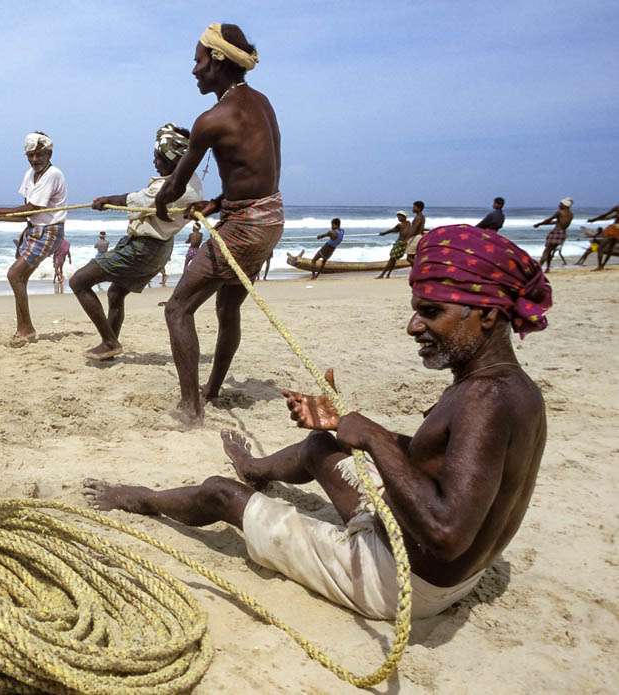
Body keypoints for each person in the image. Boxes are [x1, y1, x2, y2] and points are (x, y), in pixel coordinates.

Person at [85, 225, 550, 620]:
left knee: (219, 493)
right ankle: (257, 470)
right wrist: (346, 426)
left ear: (487, 314)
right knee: (318, 446)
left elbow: (445, 535)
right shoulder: (513, 388)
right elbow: (444, 462)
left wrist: (368, 434)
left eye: (431, 312)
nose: (413, 326)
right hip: (450, 572)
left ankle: (143, 500)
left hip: (403, 582)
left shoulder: (484, 398)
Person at [152, 23, 284, 425]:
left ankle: (192, 407)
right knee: (228, 308)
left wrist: (160, 203)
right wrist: (219, 202)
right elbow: (257, 171)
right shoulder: (261, 102)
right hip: (270, 217)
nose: (194, 70)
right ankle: (211, 390)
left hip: (245, 227)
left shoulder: (212, 118)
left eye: (199, 60)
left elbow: (175, 184)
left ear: (218, 60)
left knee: (177, 309)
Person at [71, 123, 204, 360]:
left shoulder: (174, 186)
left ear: (171, 157)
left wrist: (105, 199)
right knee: (115, 293)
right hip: (158, 247)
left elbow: (136, 200)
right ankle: (109, 346)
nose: (154, 162)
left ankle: (109, 341)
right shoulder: (191, 181)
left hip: (144, 248)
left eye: (157, 157)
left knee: (79, 282)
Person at [0, 132, 67, 347]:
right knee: (19, 278)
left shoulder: (53, 174)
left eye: (39, 155)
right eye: (30, 155)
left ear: (49, 153)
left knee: (14, 274)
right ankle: (24, 328)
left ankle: (26, 328)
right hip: (33, 229)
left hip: (49, 231)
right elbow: (26, 214)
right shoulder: (29, 174)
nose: (35, 160)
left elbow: (33, 208)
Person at [534, 197, 573, 272]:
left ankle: (538, 268)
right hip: (563, 233)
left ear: (565, 205)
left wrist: (539, 224)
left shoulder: (559, 212)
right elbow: (558, 222)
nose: (559, 205)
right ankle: (548, 268)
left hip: (556, 232)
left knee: (546, 250)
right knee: (549, 251)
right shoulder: (571, 214)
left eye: (561, 204)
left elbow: (549, 220)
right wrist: (542, 224)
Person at [375, 211, 411, 279]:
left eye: (400, 217)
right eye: (398, 217)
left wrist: (384, 233)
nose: (398, 218)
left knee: (392, 259)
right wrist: (384, 233)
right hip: (402, 243)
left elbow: (392, 230)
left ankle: (382, 274)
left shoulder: (404, 224)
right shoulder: (407, 224)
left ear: (404, 217)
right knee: (393, 259)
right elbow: (393, 230)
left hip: (401, 244)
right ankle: (388, 274)